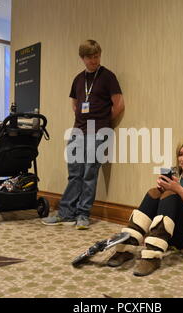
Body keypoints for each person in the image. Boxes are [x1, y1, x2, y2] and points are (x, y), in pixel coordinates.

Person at [107, 137, 183, 276]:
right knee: (153, 192)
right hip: (172, 233)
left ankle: (152, 257)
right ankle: (126, 248)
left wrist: (178, 190)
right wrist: (162, 189)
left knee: (171, 194)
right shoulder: (175, 174)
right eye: (180, 154)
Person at [42, 40, 124, 230]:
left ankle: (83, 214)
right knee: (74, 174)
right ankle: (66, 213)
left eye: (97, 56)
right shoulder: (78, 79)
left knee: (89, 173)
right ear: (82, 58)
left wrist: (102, 121)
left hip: (98, 131)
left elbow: (119, 105)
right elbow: (75, 104)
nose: (94, 60)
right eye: (90, 57)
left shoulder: (107, 76)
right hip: (78, 130)